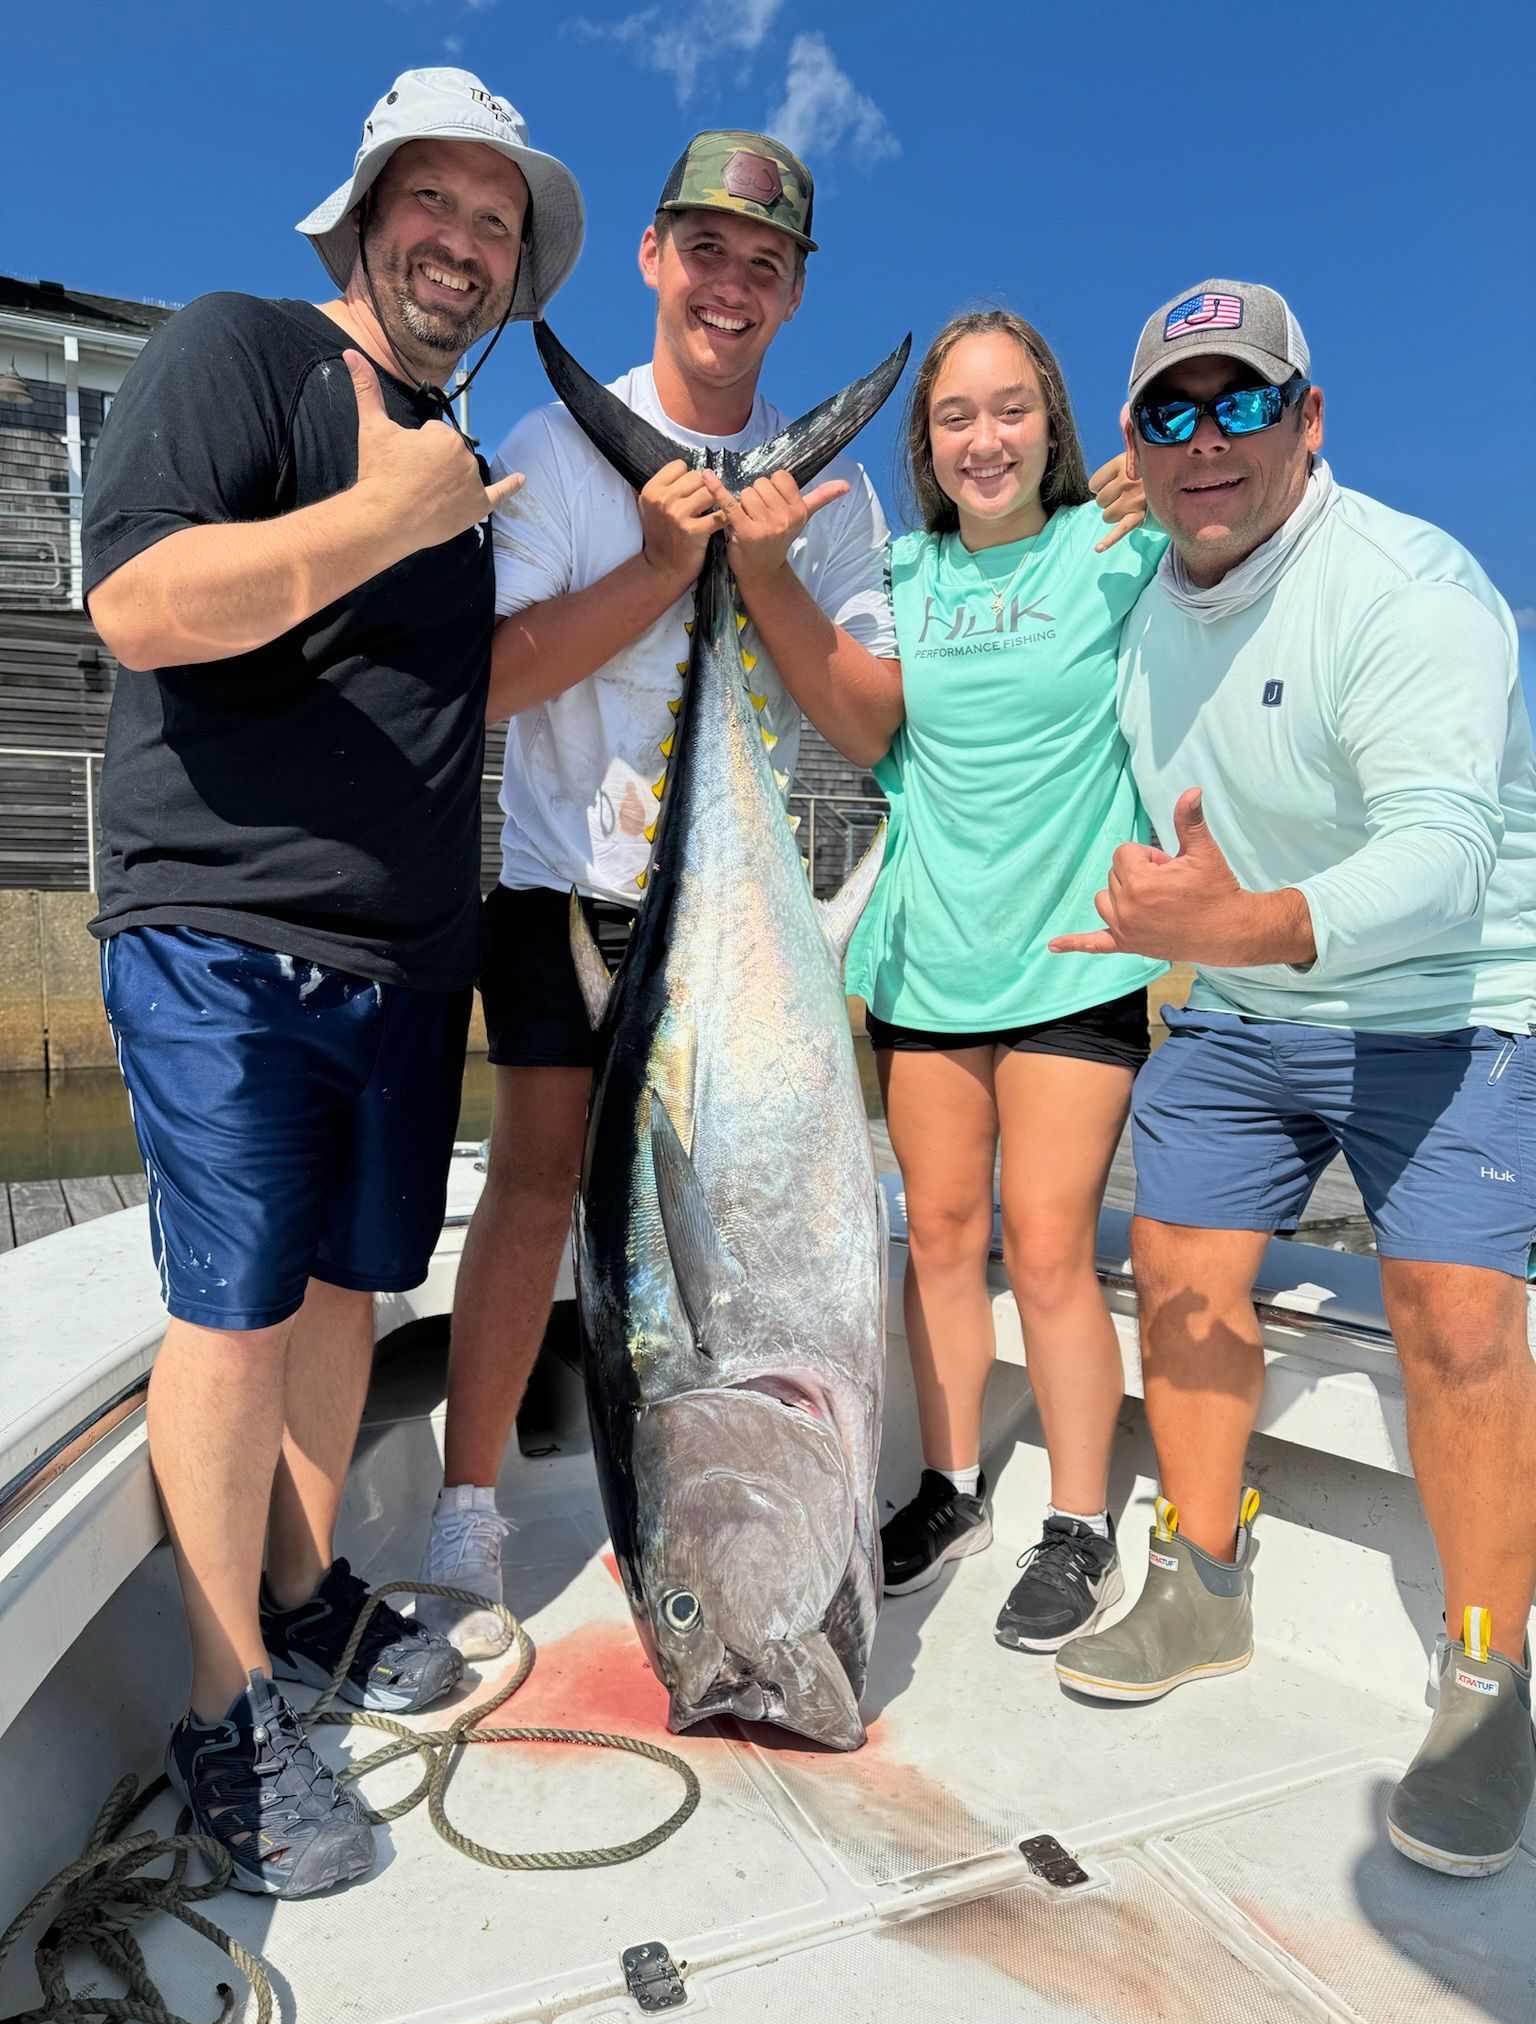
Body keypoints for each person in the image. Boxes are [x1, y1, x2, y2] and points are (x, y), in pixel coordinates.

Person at [81, 68, 583, 1897]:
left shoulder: (458, 465)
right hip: (220, 928)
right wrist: (389, 512)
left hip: (404, 957)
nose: (462, 242)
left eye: (497, 221)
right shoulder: (243, 353)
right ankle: (222, 1712)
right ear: (365, 213)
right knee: (229, 1309)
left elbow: (477, 688)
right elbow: (137, 605)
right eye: (435, 205)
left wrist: (672, 565)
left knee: (345, 1297)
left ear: (520, 268)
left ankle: (302, 1604)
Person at [1050, 278, 1536, 1879]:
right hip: (1249, 1012)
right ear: (1135, 441)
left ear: (1308, 420)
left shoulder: (1412, 588)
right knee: (1182, 1273)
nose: (1206, 440)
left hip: (1452, 1003)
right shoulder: (1139, 594)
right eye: (1170, 411)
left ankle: (1486, 1674)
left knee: (1457, 1321)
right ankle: (1202, 1573)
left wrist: (1243, 924)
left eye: (1241, 401)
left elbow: (1446, 858)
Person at [414, 130, 907, 1648]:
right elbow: (488, 682)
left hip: (744, 935)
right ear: (651, 256)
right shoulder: (557, 455)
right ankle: (468, 1514)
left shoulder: (833, 499)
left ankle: (780, 1490)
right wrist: (652, 564)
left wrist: (757, 572)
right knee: (539, 1185)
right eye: (706, 251)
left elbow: (875, 722)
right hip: (574, 891)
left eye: (766, 263)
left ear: (797, 292)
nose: (731, 285)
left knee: (765, 1230)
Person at [843, 310, 1166, 1653]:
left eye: (1011, 409)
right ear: (925, 443)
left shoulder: (1117, 547)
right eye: (958, 416)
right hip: (923, 959)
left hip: (1073, 958)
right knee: (937, 1243)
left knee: (1045, 1247)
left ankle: (1080, 1522)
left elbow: (1254, 531)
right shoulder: (899, 571)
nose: (986, 437)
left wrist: (1175, 471)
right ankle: (949, 1485)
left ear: (1054, 425)